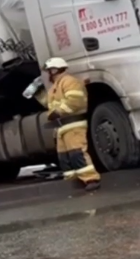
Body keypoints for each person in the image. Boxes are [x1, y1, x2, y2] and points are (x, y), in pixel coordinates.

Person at [40, 57, 100, 191]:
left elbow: (75, 101)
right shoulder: (55, 86)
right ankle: (73, 182)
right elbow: (48, 103)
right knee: (65, 158)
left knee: (77, 153)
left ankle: (91, 179)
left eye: (49, 71)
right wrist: (37, 92)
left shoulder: (69, 82)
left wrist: (58, 112)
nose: (48, 74)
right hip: (61, 128)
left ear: (55, 70)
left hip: (73, 124)